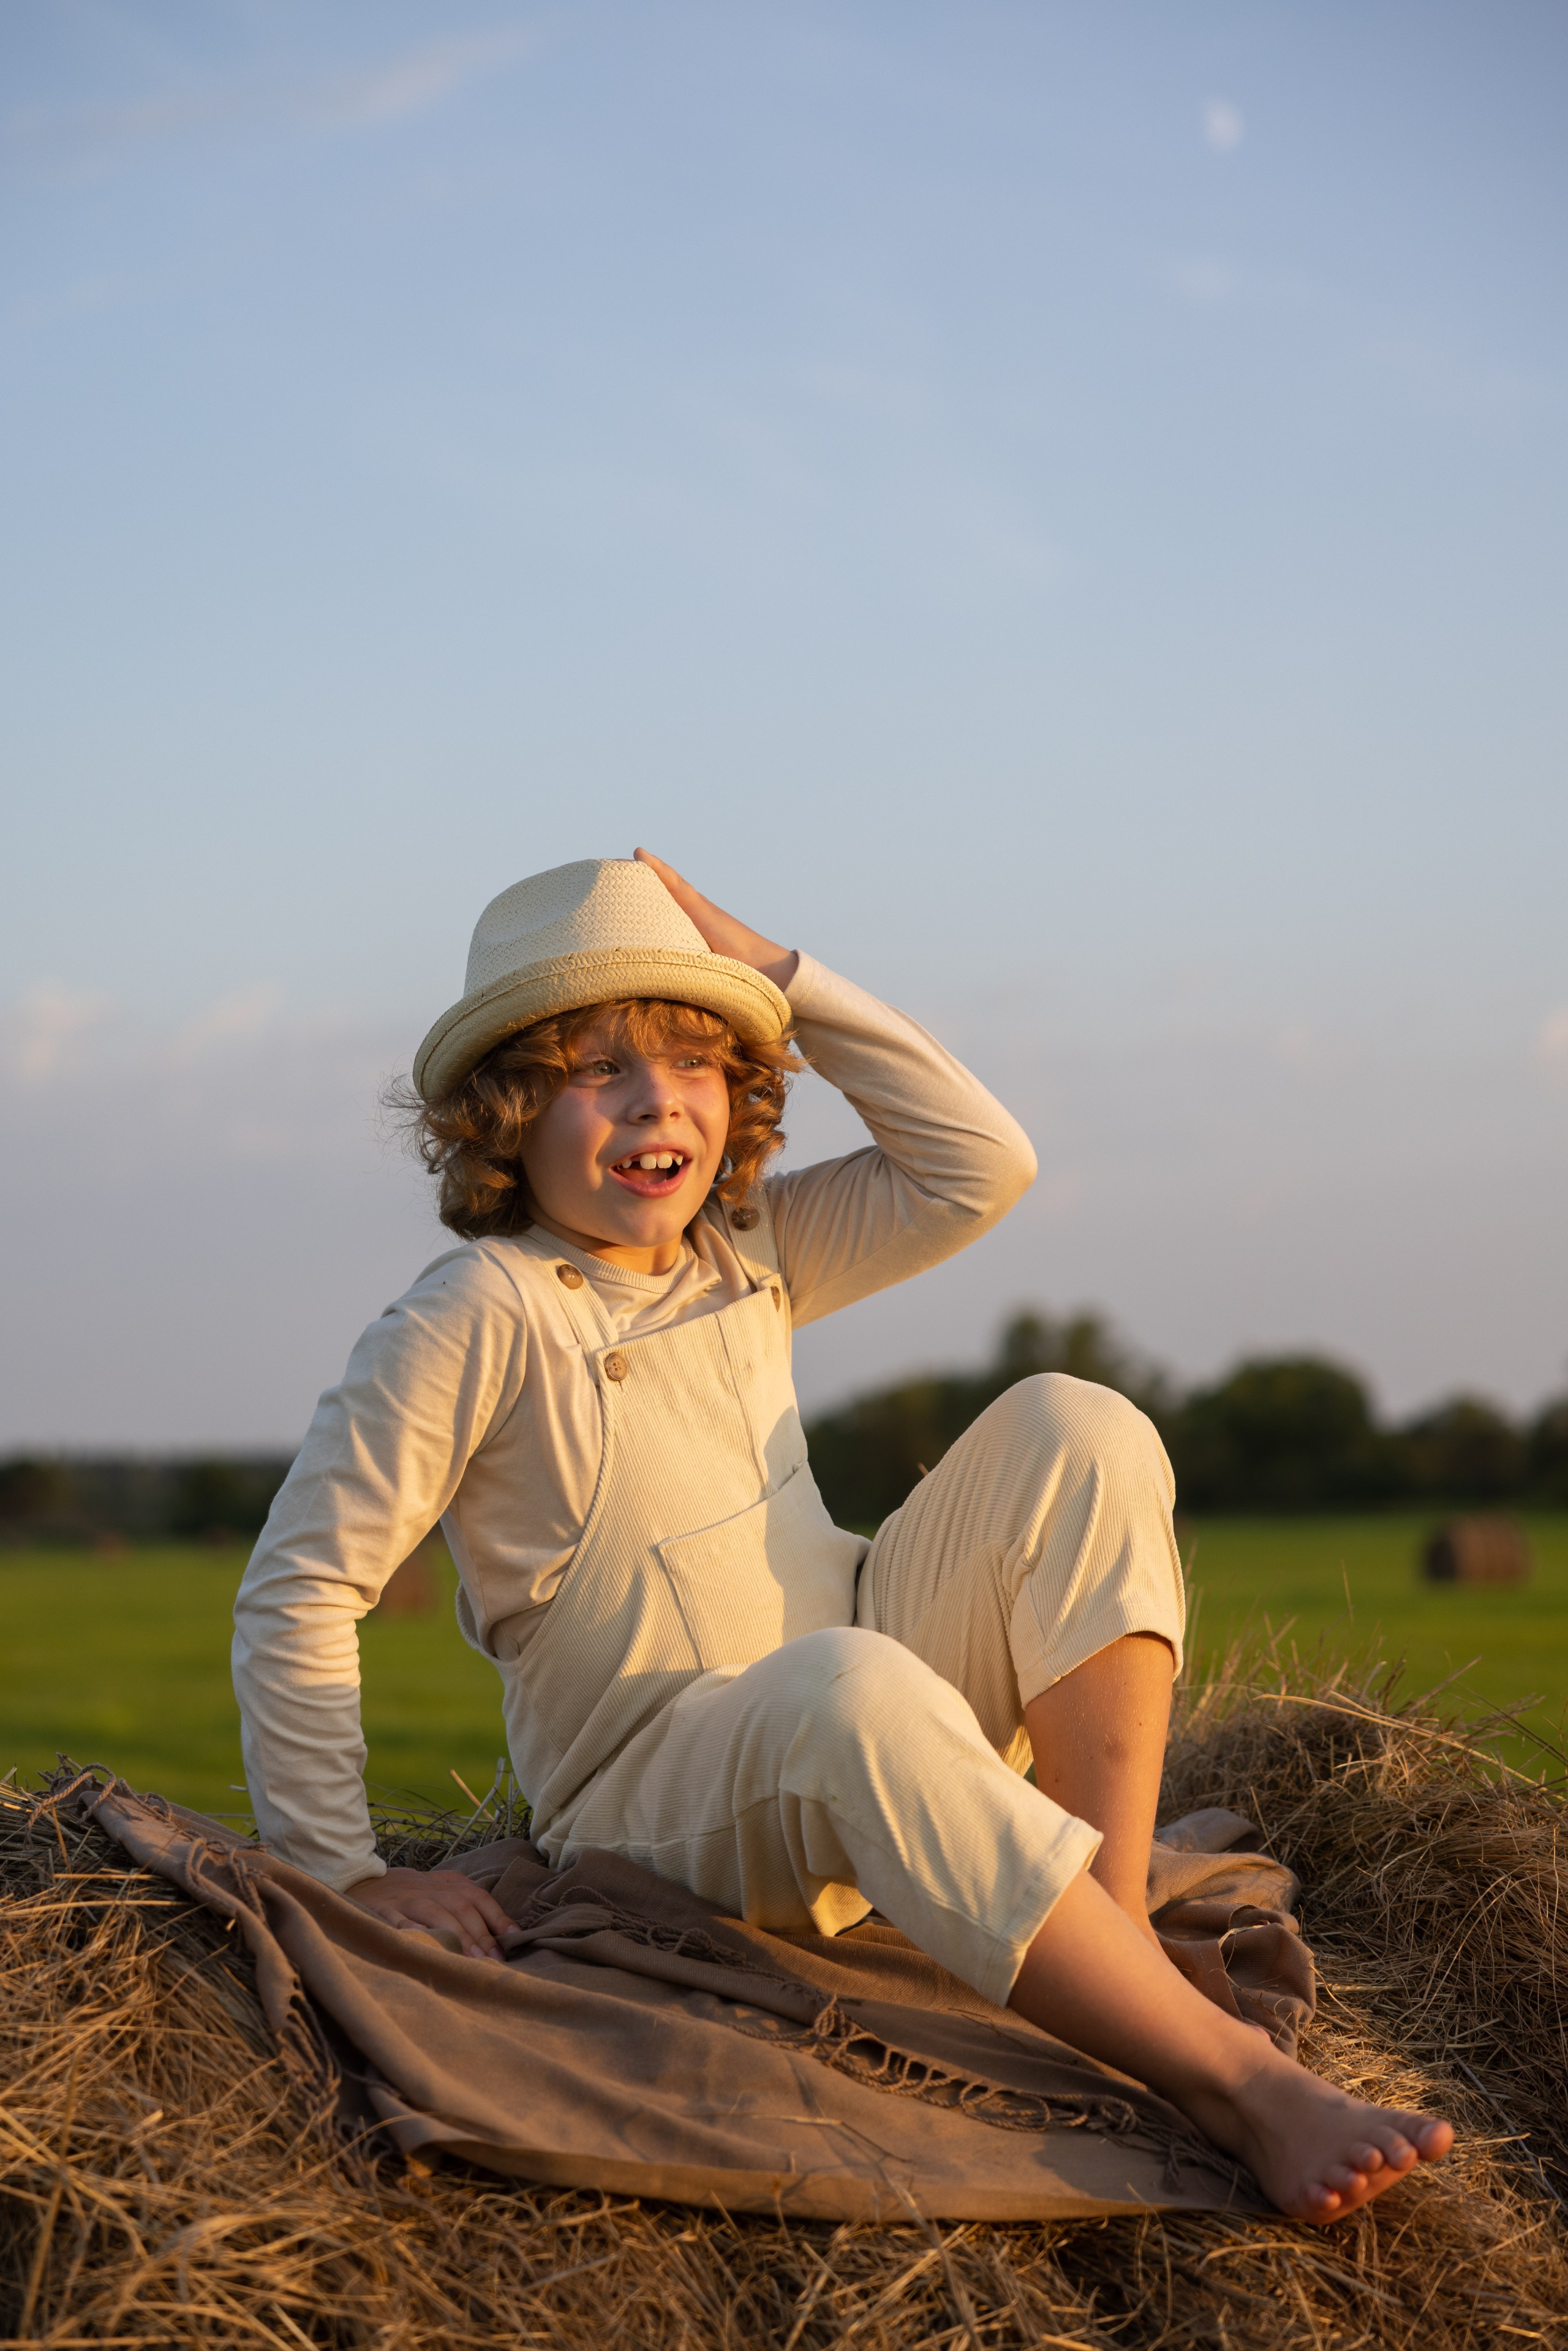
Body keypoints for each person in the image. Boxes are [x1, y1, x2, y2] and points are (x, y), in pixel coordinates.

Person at [233, 850, 1452, 2224]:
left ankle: (1109, 1942)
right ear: (507, 1112)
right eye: (598, 1068)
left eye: (696, 1063)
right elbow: (299, 1590)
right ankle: (1234, 2081)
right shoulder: (477, 1308)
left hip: (857, 1681)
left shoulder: (747, 1246)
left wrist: (778, 978)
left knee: (1077, 1418)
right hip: (662, 1785)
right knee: (848, 1690)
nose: (658, 1103)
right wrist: (341, 1874)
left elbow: (981, 1164)